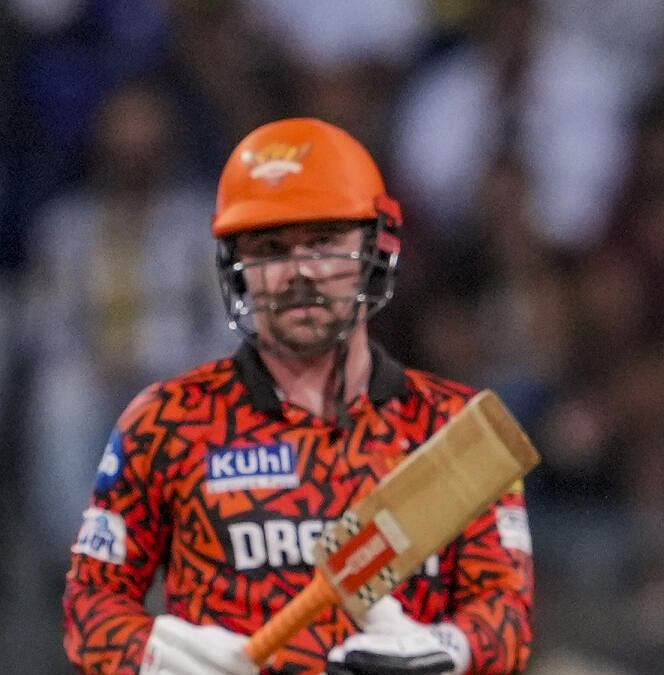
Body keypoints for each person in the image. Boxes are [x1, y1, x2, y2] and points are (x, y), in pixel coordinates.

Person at [63, 118, 534, 675]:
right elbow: (91, 602)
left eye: (325, 242)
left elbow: (507, 613)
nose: (299, 272)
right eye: (269, 249)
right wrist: (150, 657)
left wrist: (445, 651)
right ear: (236, 267)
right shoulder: (165, 422)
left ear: (376, 247)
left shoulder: (455, 428)